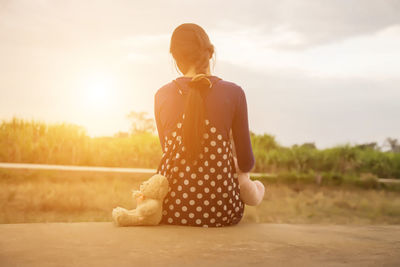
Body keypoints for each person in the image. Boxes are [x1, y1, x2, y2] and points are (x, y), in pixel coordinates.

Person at [154, 23, 265, 227]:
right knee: (251, 182)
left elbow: (168, 152)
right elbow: (247, 162)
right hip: (223, 211)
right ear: (209, 53)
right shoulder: (234, 93)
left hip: (171, 209)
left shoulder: (161, 95)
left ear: (175, 57)